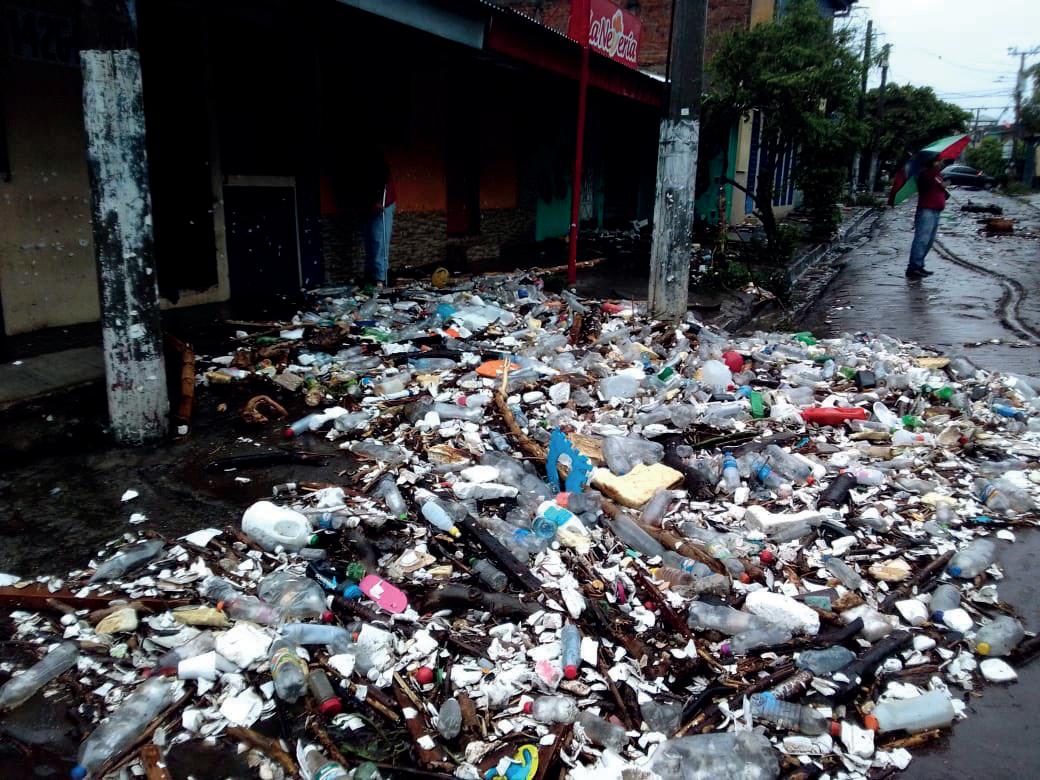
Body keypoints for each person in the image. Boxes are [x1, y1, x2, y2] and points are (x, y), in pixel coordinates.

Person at [905, 156, 948, 279]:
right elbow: (927, 185)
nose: (941, 163)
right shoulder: (926, 174)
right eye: (938, 161)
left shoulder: (937, 175)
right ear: (932, 163)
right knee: (922, 239)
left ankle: (919, 265)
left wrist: (944, 189)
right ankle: (913, 267)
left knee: (929, 241)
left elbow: (938, 190)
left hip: (936, 211)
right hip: (926, 210)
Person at [359, 150, 396, 288]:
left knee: (379, 241)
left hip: (382, 202)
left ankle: (380, 279)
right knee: (369, 242)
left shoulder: (376, 164)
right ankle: (370, 276)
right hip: (367, 204)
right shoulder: (360, 166)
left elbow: (382, 181)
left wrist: (379, 201)